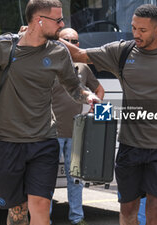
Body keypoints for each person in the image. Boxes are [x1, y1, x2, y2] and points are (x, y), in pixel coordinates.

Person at [60, 4, 157, 225]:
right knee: (128, 208)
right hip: (131, 144)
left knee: (155, 206)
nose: (136, 34)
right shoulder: (122, 51)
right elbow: (80, 54)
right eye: (134, 28)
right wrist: (50, 36)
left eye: (142, 30)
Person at [0, 0, 100, 225]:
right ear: (39, 20)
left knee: (40, 205)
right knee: (17, 211)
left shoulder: (59, 52)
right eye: (58, 20)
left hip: (44, 140)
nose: (61, 25)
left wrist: (88, 96)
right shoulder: (3, 46)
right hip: (8, 142)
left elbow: (73, 87)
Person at [51, 27, 105, 225]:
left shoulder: (83, 68)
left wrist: (93, 113)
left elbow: (99, 90)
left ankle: (77, 217)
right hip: (52, 132)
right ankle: (43, 218)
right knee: (47, 178)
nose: (71, 44)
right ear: (58, 41)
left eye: (75, 41)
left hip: (76, 132)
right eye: (67, 40)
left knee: (75, 179)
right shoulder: (50, 63)